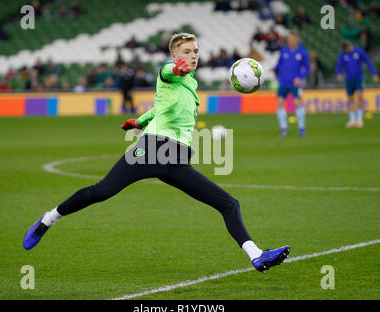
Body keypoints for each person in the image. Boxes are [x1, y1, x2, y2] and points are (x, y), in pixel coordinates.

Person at [23, 33, 290, 273]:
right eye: (187, 52)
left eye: (196, 51)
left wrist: (138, 122)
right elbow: (168, 72)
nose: (193, 55)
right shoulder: (170, 71)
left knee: (229, 204)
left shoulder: (191, 86)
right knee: (102, 191)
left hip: (175, 160)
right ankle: (47, 220)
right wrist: (177, 68)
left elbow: (160, 109)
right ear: (175, 56)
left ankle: (256, 256)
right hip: (152, 150)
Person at [274, 30, 310, 137]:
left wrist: (300, 77)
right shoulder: (284, 51)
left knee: (297, 103)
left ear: (297, 40)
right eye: (289, 40)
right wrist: (274, 69)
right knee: (280, 103)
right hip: (283, 82)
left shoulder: (302, 53)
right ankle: (284, 129)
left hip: (295, 83)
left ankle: (302, 129)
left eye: (292, 39)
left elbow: (307, 68)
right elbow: (279, 64)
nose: (290, 41)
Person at [336, 40, 379, 128]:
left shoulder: (359, 52)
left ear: (349, 46)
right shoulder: (343, 54)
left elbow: (368, 62)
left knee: (360, 97)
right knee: (350, 99)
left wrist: (374, 73)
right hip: (349, 79)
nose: (347, 50)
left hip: (359, 78)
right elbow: (339, 65)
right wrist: (338, 73)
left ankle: (359, 119)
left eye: (347, 48)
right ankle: (352, 120)